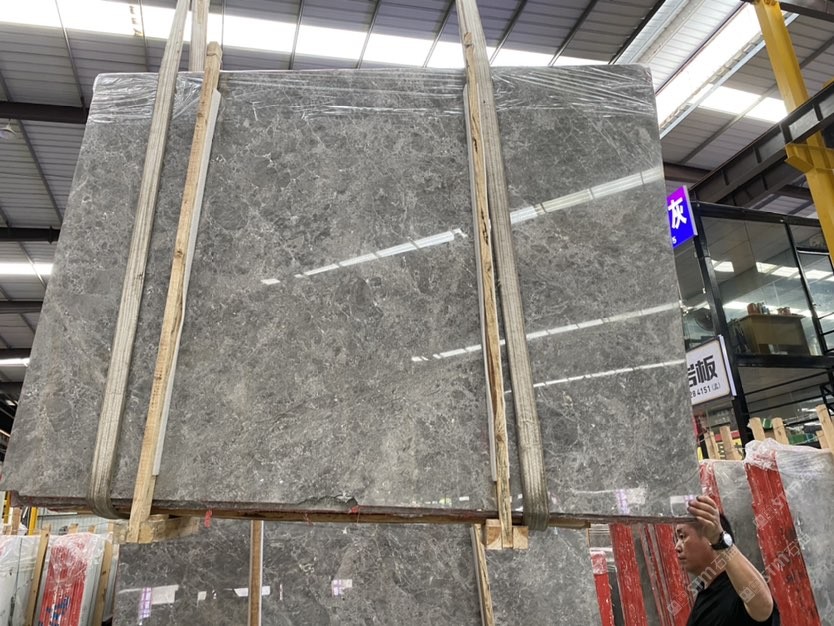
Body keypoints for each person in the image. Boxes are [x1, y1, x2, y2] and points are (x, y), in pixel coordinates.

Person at [676, 495, 779, 625]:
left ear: (709, 538)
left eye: (682, 536)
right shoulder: (705, 592)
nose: (677, 547)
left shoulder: (736, 589)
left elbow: (764, 606)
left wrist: (719, 538)